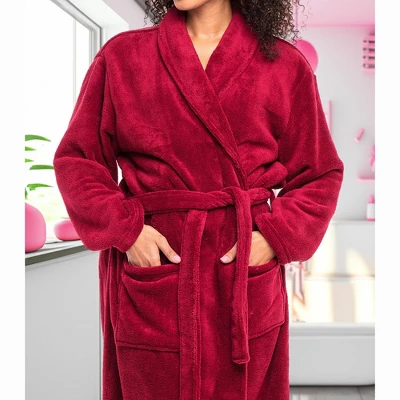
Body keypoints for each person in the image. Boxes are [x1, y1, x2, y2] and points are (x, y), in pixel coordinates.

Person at [53, 0, 344, 398]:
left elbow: (320, 174)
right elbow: (78, 160)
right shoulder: (122, 57)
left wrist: (275, 237)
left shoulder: (285, 65)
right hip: (158, 269)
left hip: (242, 274)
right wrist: (128, 231)